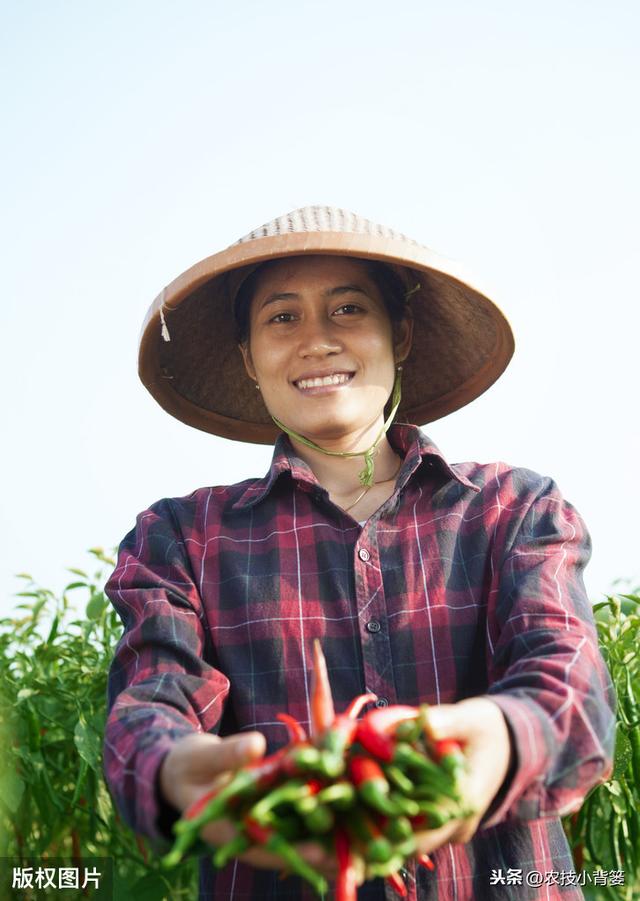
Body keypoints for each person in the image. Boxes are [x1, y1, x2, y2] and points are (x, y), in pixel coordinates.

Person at [103, 207, 615, 900]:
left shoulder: (512, 510)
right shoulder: (182, 538)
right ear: (249, 358)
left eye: (348, 308)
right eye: (282, 318)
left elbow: (572, 692)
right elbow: (149, 703)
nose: (316, 340)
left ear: (398, 335)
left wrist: (499, 737)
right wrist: (175, 766)